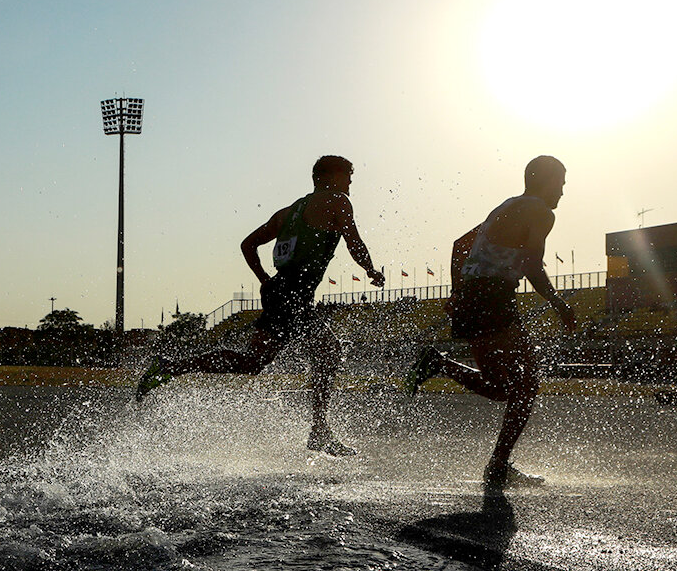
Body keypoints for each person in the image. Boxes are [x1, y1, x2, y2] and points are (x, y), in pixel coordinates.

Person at [135, 155, 385, 456]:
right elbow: (353, 241)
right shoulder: (338, 201)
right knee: (328, 350)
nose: (350, 183)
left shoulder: (288, 212)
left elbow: (248, 243)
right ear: (330, 177)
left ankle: (168, 367)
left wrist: (265, 279)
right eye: (348, 177)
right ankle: (318, 431)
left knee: (254, 362)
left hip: (280, 290)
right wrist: (371, 270)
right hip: (292, 293)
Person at [404, 156, 577, 491]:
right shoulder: (541, 211)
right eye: (561, 183)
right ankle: (498, 466)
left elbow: (459, 247)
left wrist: (458, 292)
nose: (564, 191)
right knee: (524, 387)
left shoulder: (503, 208)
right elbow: (531, 263)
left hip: (474, 298)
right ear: (544, 181)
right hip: (493, 296)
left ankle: (439, 363)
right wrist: (557, 302)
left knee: (503, 387)